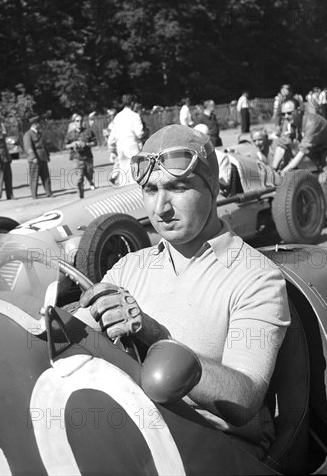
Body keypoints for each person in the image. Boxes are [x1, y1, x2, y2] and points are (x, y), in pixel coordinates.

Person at [77, 125, 290, 459]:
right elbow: (68, 337)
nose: (161, 208)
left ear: (212, 189)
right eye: (150, 190)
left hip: (220, 449)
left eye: (177, 188)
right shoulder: (128, 268)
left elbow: (245, 399)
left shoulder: (256, 277)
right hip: (135, 434)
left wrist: (154, 334)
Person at [275, 101, 327, 226]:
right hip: (317, 150)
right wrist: (274, 167)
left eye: (289, 113)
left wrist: (286, 170)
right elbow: (282, 145)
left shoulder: (312, 122)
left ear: (299, 110)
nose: (286, 116)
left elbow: (303, 152)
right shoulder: (289, 123)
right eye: (284, 114)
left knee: (326, 179)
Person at [107, 94, 144, 185]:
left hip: (121, 147)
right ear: (132, 103)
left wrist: (112, 149)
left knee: (123, 171)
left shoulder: (118, 117)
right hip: (132, 146)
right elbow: (139, 133)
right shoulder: (135, 116)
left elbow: (112, 137)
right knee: (135, 173)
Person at [65, 113, 97, 197]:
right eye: (77, 121)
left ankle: (90, 181)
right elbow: (65, 145)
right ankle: (80, 191)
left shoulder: (88, 132)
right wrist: (73, 144)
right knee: (79, 176)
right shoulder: (70, 134)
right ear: (74, 122)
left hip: (88, 157)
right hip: (77, 158)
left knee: (89, 173)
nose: (79, 122)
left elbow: (95, 143)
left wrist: (86, 144)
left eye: (80, 121)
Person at [23, 115, 53, 199]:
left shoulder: (39, 133)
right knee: (34, 177)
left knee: (46, 176)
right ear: (35, 124)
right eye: (38, 123)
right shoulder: (28, 134)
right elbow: (28, 147)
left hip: (42, 157)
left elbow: (43, 145)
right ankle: (34, 194)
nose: (39, 125)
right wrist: (33, 157)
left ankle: (49, 192)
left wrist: (47, 155)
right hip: (35, 159)